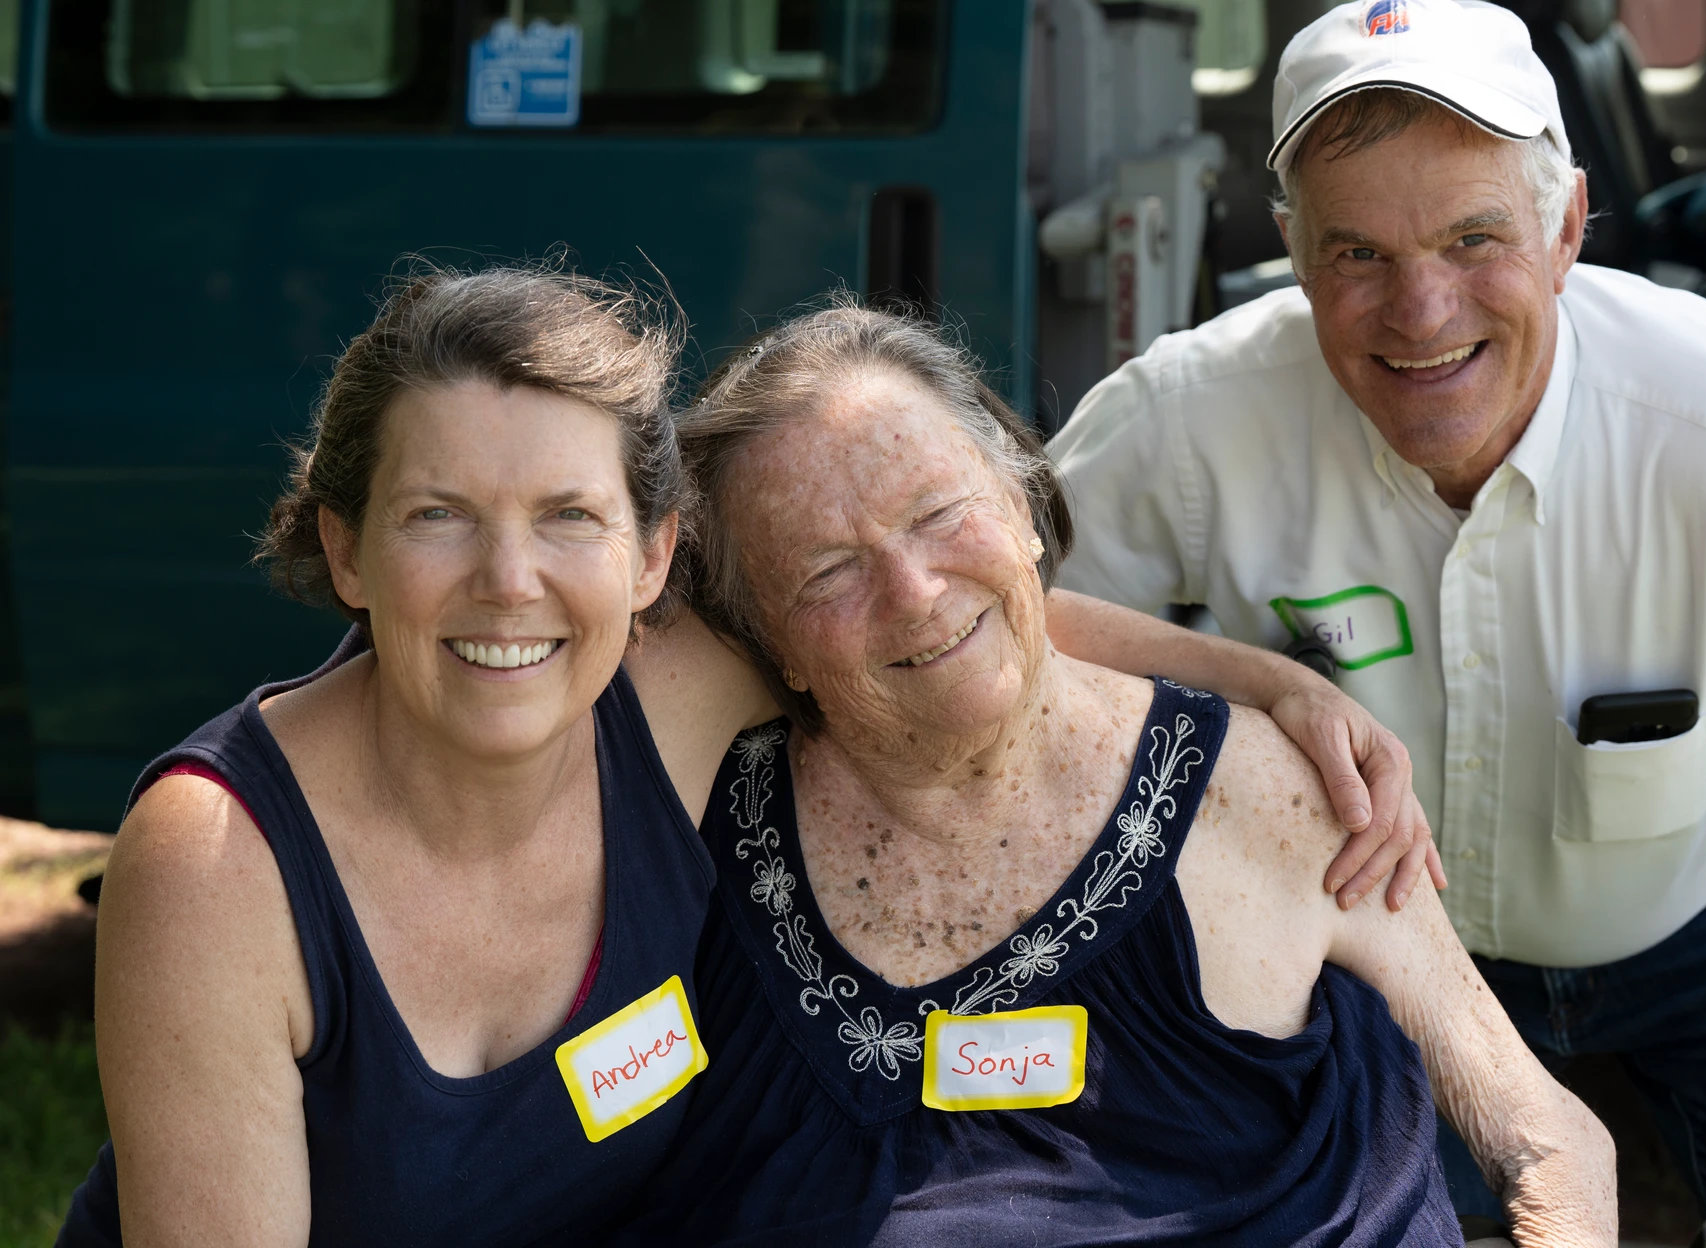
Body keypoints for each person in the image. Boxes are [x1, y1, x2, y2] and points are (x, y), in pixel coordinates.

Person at [58, 264, 1437, 1247]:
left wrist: (1267, 686)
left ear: (655, 556)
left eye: (568, 516)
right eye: (438, 516)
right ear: (346, 550)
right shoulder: (220, 861)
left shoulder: (664, 703)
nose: (510, 582)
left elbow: (948, 615)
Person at [1046, 1, 1706, 1244]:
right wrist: (1256, 684)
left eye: (1474, 239)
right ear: (1292, 251)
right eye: (1357, 254)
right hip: (1371, 928)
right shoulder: (1187, 417)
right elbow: (1015, 631)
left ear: (1568, 229)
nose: (1422, 311)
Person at [611, 303, 1616, 1247]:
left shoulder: (1273, 792)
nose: (914, 593)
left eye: (940, 512)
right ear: (760, 639)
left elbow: (1549, 1140)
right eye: (829, 571)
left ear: (1022, 503)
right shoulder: (694, 824)